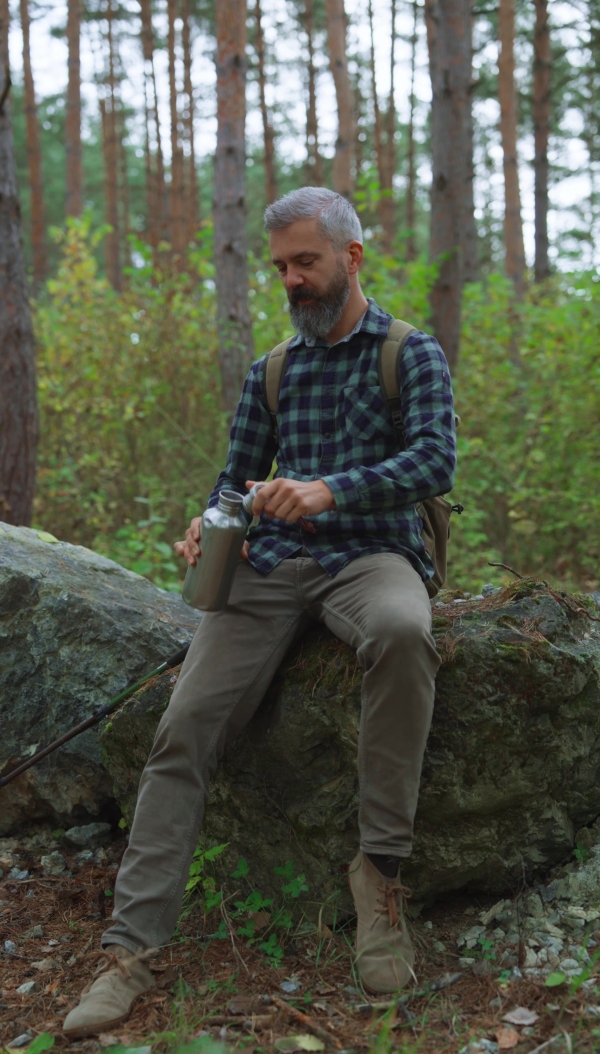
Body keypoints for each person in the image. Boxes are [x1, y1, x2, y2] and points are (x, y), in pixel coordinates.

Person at [63, 187, 456, 1038]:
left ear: (351, 257)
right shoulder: (272, 369)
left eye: (305, 262)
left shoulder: (409, 353)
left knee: (401, 630)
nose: (292, 280)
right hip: (273, 566)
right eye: (281, 266)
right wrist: (209, 523)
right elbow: (232, 475)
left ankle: (379, 879)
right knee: (182, 729)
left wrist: (329, 488)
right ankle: (131, 949)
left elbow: (434, 458)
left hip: (375, 553)